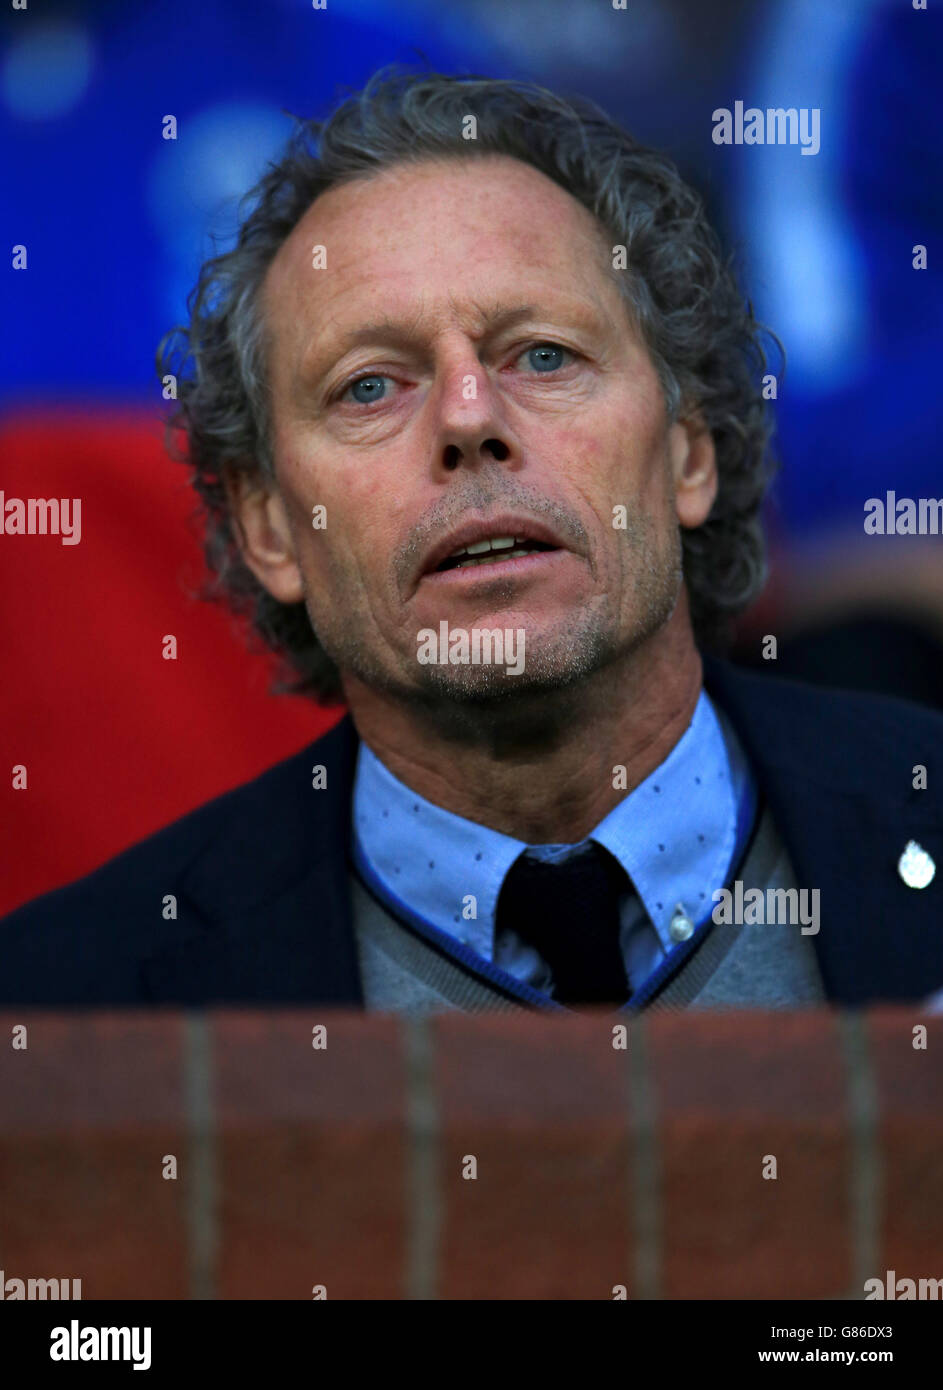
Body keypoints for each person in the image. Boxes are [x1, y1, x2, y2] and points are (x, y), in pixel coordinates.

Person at [3, 69, 941, 1012]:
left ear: (688, 454)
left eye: (543, 355)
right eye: (369, 385)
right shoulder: (64, 1007)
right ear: (269, 527)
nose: (468, 415)